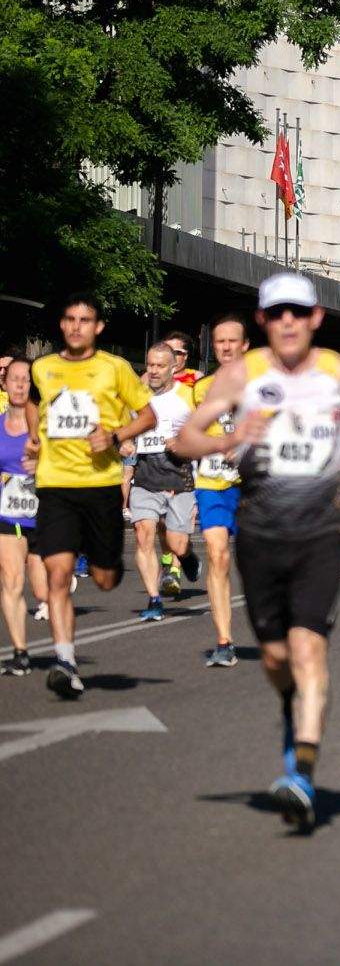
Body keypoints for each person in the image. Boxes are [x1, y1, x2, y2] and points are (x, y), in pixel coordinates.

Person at [171, 271, 340, 832]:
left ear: (315, 317)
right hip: (261, 530)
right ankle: (293, 715)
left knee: (309, 649)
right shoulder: (244, 374)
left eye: (298, 311)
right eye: (276, 313)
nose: (288, 321)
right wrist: (230, 438)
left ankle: (302, 773)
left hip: (321, 531)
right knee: (274, 658)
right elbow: (183, 438)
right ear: (264, 321)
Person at [32, 294, 158, 698]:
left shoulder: (115, 368)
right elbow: (34, 405)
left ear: (98, 327)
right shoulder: (43, 368)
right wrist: (35, 437)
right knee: (58, 574)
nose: (76, 326)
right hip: (55, 485)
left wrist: (116, 436)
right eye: (69, 319)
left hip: (101, 485)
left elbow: (148, 415)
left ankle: (105, 561)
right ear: (62, 324)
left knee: (105, 578)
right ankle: (65, 662)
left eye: (85, 320)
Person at [192, 313, 251, 667]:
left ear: (244, 346)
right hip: (212, 482)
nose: (226, 347)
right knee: (216, 554)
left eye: (232, 341)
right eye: (220, 342)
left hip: (254, 485)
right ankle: (224, 640)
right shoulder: (201, 389)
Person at [127, 342, 197, 623]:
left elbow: (203, 432)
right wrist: (124, 443)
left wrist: (182, 442)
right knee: (144, 532)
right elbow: (121, 425)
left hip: (177, 473)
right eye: (150, 365)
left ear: (173, 368)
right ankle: (154, 599)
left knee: (176, 543)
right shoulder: (135, 395)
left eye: (159, 366)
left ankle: (188, 557)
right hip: (145, 474)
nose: (153, 371)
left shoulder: (188, 396)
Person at [2, 357, 43, 675]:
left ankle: (63, 650)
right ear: (4, 384)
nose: (18, 384)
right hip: (9, 514)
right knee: (12, 581)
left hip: (46, 514)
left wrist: (41, 466)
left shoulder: (46, 425)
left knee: (44, 590)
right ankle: (20, 651)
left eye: (25, 379)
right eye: (13, 378)